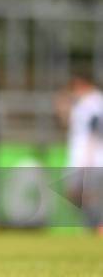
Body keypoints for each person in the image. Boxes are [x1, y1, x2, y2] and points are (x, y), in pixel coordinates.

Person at [57, 73, 103, 234]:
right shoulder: (80, 103)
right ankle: (93, 226)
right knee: (73, 193)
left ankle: (97, 226)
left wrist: (88, 159)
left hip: (90, 159)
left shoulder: (95, 101)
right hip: (77, 157)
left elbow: (95, 131)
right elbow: (67, 124)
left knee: (90, 195)